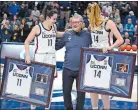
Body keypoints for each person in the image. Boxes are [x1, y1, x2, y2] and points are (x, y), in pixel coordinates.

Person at [87, 3, 124, 110]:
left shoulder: (109, 22)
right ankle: (94, 108)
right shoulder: (91, 23)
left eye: (89, 14)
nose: (88, 16)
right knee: (92, 86)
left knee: (103, 87)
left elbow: (120, 39)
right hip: (93, 56)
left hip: (105, 56)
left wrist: (110, 47)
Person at [24, 11, 64, 109]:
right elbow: (27, 41)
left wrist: (68, 32)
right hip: (40, 57)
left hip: (51, 57)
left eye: (56, 19)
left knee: (50, 83)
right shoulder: (38, 28)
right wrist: (28, 56)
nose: (55, 21)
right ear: (48, 18)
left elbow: (57, 34)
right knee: (37, 82)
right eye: (54, 19)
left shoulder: (54, 27)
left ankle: (47, 106)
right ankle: (33, 105)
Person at [55, 13, 92, 110]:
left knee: (81, 94)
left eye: (76, 22)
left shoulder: (88, 35)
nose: (74, 24)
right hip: (67, 69)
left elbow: (98, 45)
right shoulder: (67, 34)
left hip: (82, 69)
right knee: (66, 92)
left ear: (82, 23)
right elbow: (56, 46)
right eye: (72, 22)